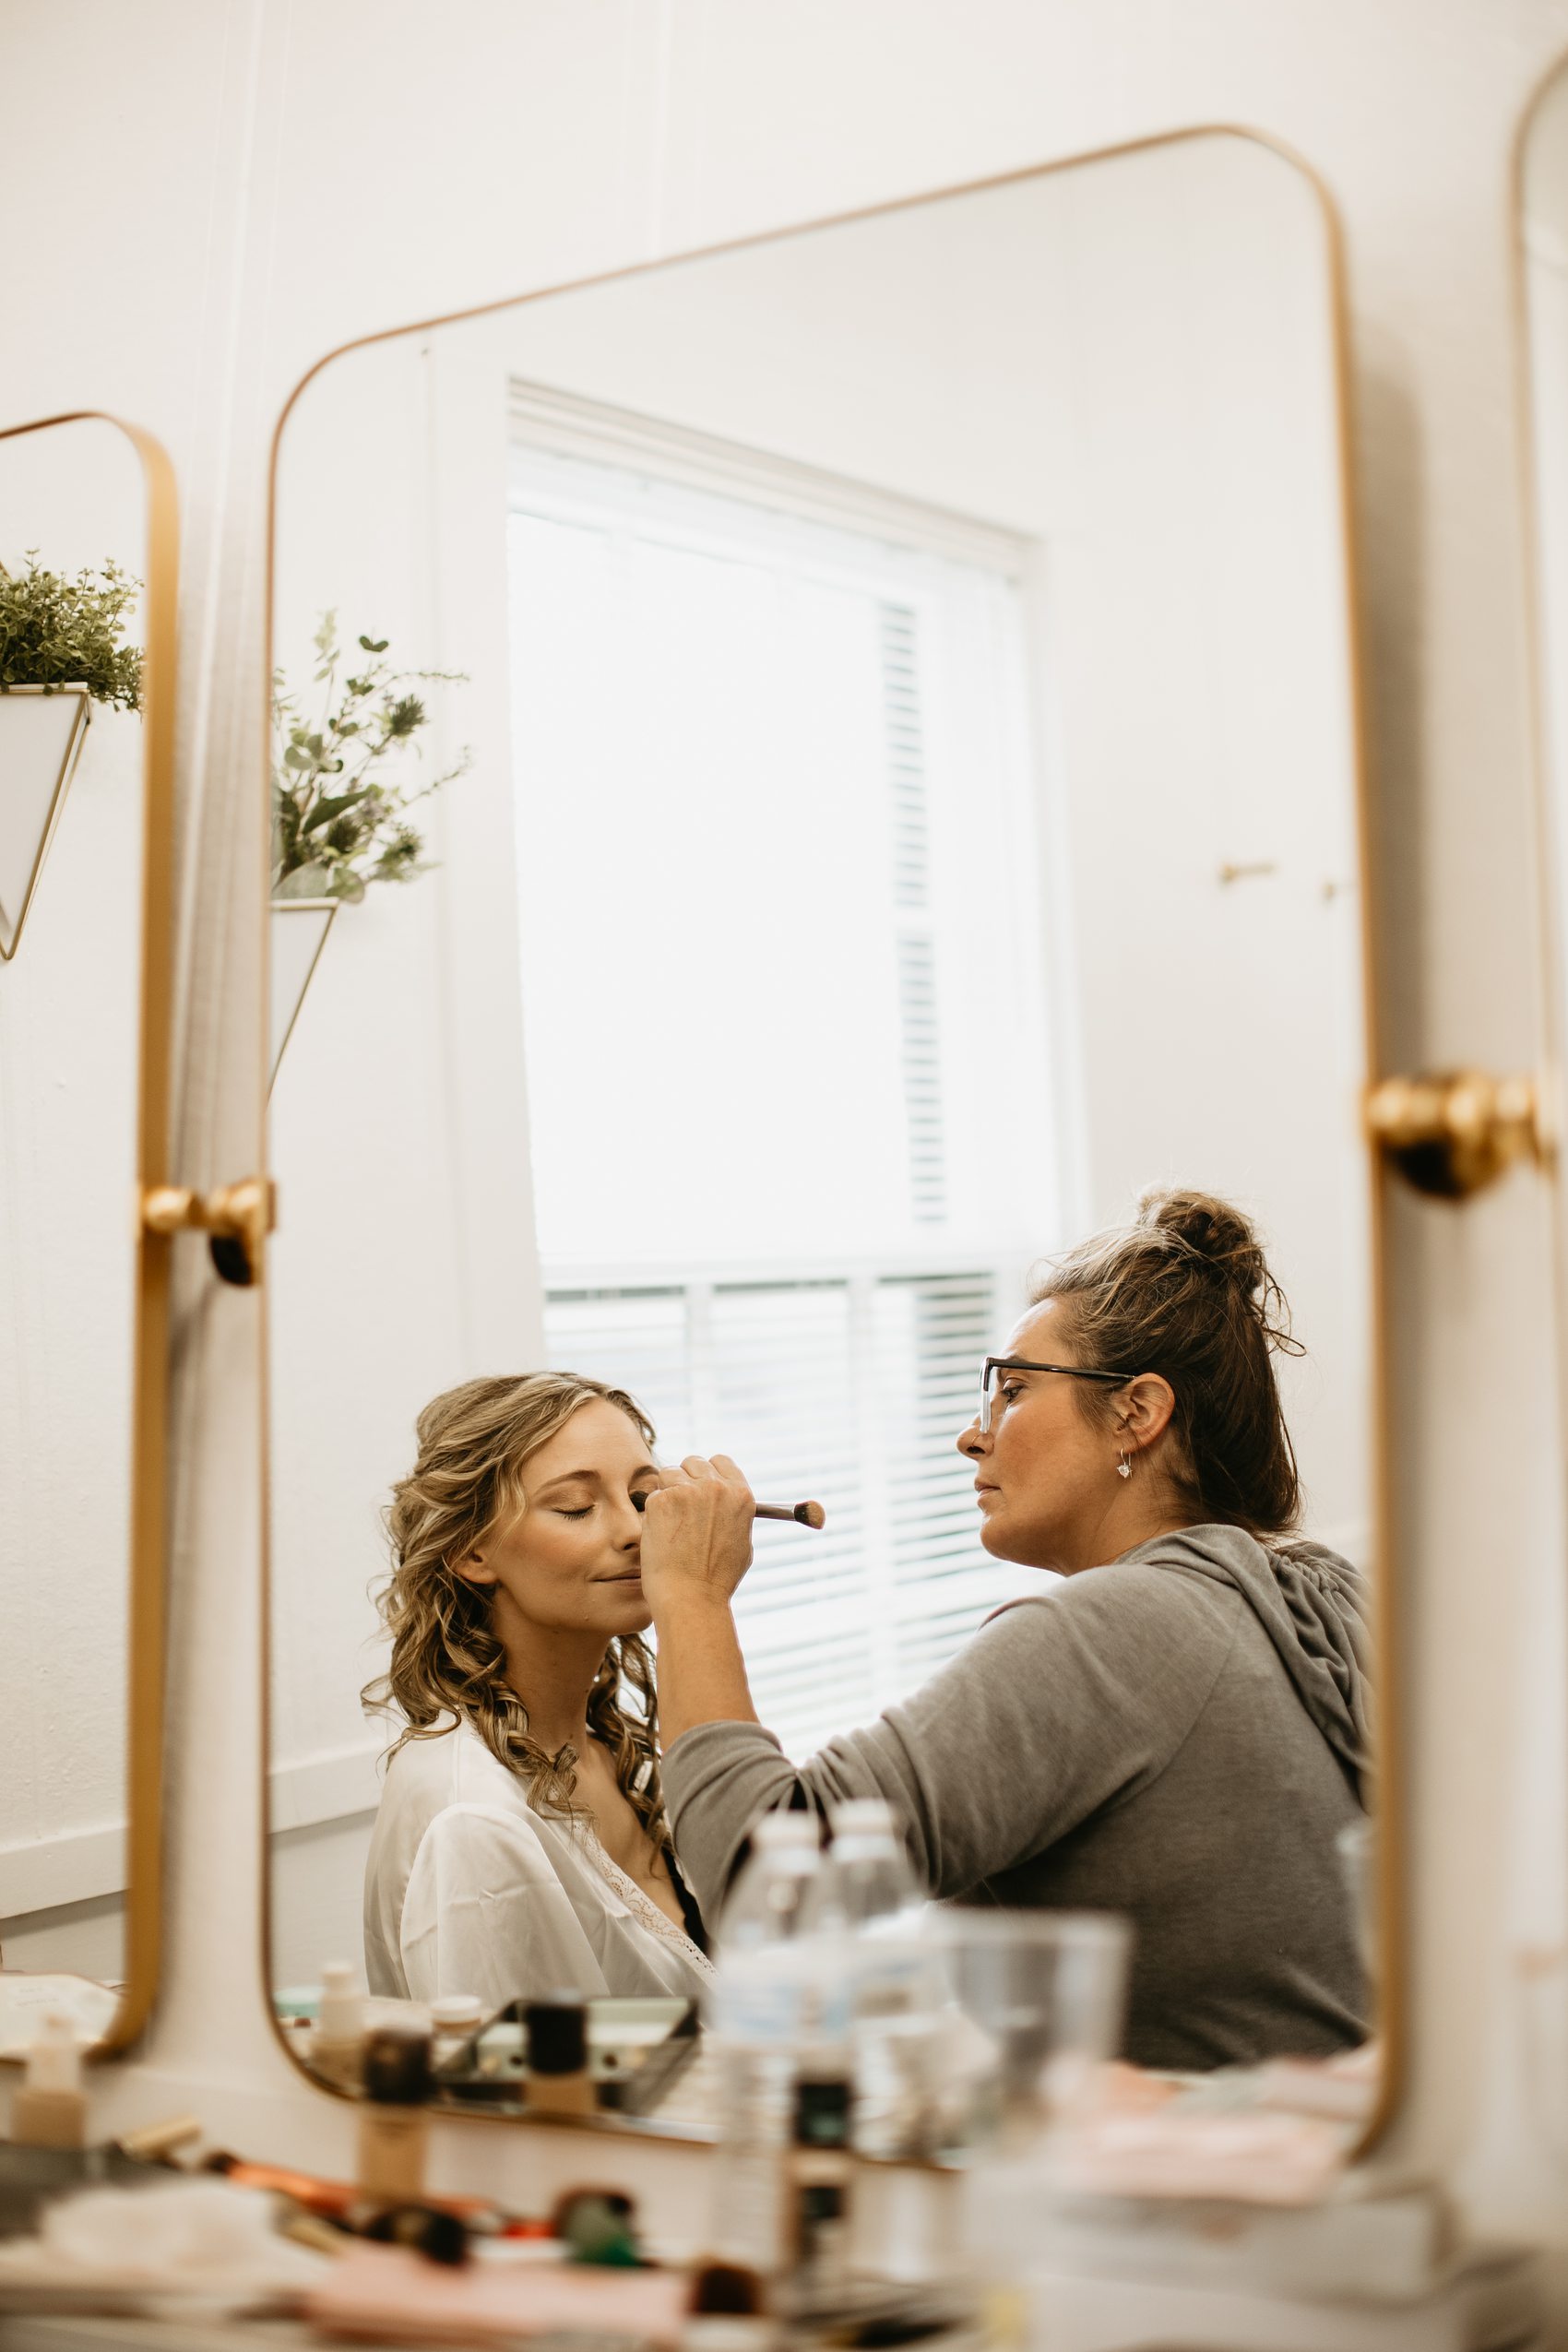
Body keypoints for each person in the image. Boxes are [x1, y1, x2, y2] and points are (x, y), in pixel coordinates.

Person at [638, 1190, 1372, 2072]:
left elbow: (765, 1881)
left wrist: (689, 1596)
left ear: (1137, 1412)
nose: (969, 1436)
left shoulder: (1117, 1632)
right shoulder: (1306, 1592)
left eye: (1013, 1390)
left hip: (1178, 2192)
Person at [361, 1372, 713, 2009]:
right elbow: (517, 2102)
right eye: (576, 1507)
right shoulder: (472, 1822)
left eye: (643, 1496)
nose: (637, 1531)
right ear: (472, 1552)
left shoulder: (604, 1747)